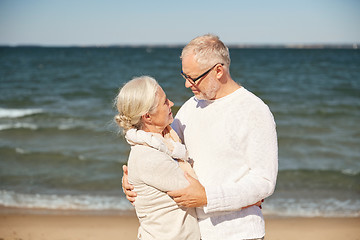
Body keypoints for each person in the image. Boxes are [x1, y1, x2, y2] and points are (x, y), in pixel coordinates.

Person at [123, 34, 278, 240]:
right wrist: (133, 180)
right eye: (184, 76)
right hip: (195, 233)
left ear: (219, 71)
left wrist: (208, 198)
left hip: (238, 233)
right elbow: (160, 149)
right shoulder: (190, 107)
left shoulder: (254, 110)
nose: (187, 85)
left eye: (193, 78)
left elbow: (264, 182)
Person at [114, 76, 200, 240]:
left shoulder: (167, 141)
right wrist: (244, 197)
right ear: (147, 117)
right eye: (165, 102)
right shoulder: (149, 156)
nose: (172, 104)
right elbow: (197, 192)